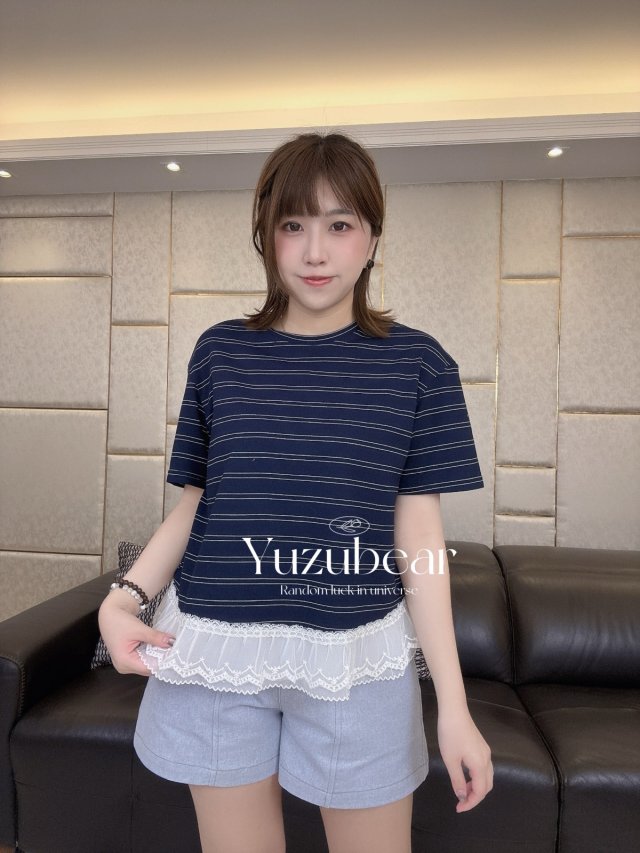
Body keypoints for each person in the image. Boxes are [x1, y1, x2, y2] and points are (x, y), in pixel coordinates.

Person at [98, 131, 493, 853]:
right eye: (293, 225)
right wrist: (124, 599)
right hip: (216, 649)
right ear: (267, 236)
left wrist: (455, 706)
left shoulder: (420, 365)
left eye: (340, 225)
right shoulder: (220, 352)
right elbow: (199, 503)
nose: (315, 252)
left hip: (356, 655)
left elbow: (420, 541)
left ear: (372, 238)